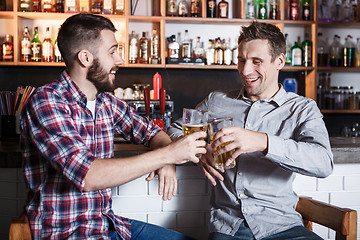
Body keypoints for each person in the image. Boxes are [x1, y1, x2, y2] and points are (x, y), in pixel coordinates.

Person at [20, 13, 206, 240]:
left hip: (109, 226)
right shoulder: (47, 101)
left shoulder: (106, 103)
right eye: (112, 51)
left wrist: (167, 158)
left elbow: (152, 132)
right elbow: (88, 176)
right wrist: (169, 154)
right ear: (86, 58)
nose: (119, 60)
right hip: (69, 233)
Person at [168, 22, 333, 240]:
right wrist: (199, 152)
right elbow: (174, 129)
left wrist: (263, 142)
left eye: (256, 62)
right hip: (229, 228)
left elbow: (323, 163)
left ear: (280, 61)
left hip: (283, 227)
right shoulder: (217, 100)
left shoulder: (302, 108)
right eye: (242, 60)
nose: (245, 71)